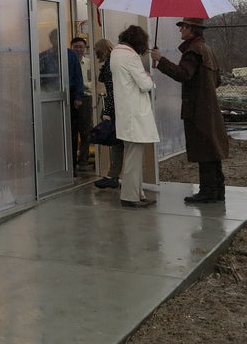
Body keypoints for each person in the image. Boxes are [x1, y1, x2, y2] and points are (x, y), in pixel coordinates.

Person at [151, 17, 229, 203]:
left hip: (198, 109)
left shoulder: (193, 51)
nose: (180, 31)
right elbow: (218, 80)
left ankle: (208, 192)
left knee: (204, 150)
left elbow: (183, 74)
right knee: (212, 150)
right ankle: (217, 190)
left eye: (182, 27)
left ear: (190, 29)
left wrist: (160, 60)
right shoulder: (207, 49)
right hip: (209, 108)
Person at [110, 25, 158, 207]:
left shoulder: (116, 53)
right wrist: (148, 77)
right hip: (135, 113)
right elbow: (144, 85)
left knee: (132, 154)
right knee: (133, 157)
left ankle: (138, 193)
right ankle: (130, 196)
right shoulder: (131, 56)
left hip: (124, 112)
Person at [93, 38, 123, 189]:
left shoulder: (109, 65)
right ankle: (113, 174)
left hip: (115, 107)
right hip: (120, 106)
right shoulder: (116, 60)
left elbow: (111, 91)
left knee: (115, 142)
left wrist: (107, 111)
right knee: (118, 143)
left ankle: (113, 175)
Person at [70, 36, 92, 171]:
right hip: (71, 99)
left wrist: (82, 85)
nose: (78, 49)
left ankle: (83, 160)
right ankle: (71, 160)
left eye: (81, 47)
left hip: (85, 99)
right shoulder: (68, 62)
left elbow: (93, 82)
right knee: (72, 130)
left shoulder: (89, 63)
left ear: (85, 49)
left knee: (86, 131)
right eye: (76, 47)